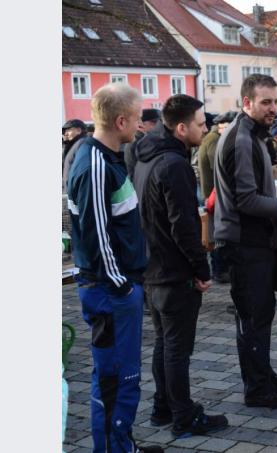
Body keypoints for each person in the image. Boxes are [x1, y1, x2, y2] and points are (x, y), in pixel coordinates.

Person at [66, 83, 163, 453]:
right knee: (114, 378)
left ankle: (122, 444)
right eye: (138, 119)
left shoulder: (108, 157)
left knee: (125, 376)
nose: (140, 126)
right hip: (109, 290)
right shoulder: (92, 161)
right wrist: (121, 285)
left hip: (117, 287)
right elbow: (94, 233)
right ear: (121, 120)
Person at [213, 74, 277, 408]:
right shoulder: (241, 139)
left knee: (260, 313)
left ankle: (262, 374)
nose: (274, 108)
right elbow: (246, 200)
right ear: (247, 103)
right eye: (266, 102)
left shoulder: (252, 134)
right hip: (244, 243)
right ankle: (257, 389)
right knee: (253, 316)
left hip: (254, 240)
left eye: (276, 101)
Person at [132, 94, 229, 438]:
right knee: (176, 348)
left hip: (153, 268)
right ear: (182, 127)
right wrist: (201, 270)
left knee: (164, 343)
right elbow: (183, 225)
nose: (205, 130)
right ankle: (184, 416)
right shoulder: (172, 165)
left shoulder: (146, 156)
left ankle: (163, 407)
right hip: (171, 272)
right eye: (202, 125)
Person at [199, 111, 236, 283]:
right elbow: (221, 167)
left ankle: (220, 269)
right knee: (217, 235)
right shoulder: (214, 140)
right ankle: (219, 271)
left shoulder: (212, 138)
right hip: (214, 194)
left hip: (213, 193)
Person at [123, 108, 161, 177]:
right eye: (153, 122)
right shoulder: (135, 142)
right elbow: (132, 171)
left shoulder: (146, 139)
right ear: (141, 124)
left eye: (159, 122)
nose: (157, 125)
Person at [62, 119, 89, 191]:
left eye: (68, 130)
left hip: (79, 191)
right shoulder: (75, 144)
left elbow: (83, 170)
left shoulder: (83, 143)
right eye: (65, 132)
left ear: (78, 130)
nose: (65, 134)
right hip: (74, 191)